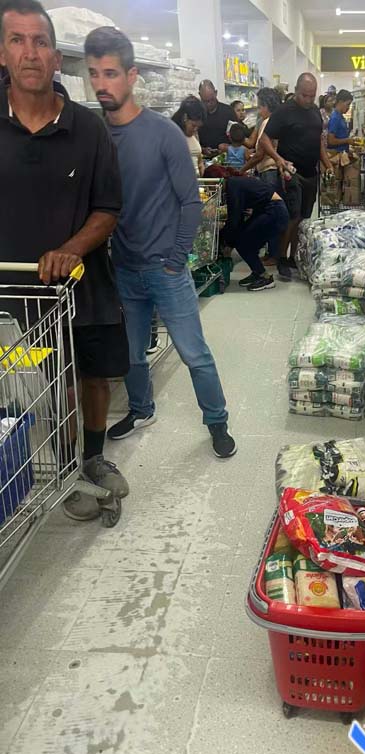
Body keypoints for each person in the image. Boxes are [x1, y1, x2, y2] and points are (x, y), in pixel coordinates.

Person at [0, 0, 129, 521]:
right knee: (46, 386)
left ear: (56, 57)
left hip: (85, 282)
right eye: (17, 40)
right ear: (2, 53)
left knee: (92, 376)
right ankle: (62, 465)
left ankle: (92, 458)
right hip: (16, 294)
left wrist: (71, 250)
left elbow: (108, 208)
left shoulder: (88, 129)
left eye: (40, 42)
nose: (30, 53)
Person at [84, 27, 236, 458]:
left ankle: (217, 421)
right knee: (132, 354)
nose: (101, 84)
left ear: (131, 75)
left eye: (110, 73)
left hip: (166, 271)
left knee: (194, 353)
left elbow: (191, 202)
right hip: (124, 269)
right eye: (93, 73)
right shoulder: (96, 135)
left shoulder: (162, 133)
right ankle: (141, 409)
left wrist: (176, 257)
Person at [261, 73, 334, 280]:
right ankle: (281, 258)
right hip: (291, 172)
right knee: (292, 217)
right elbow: (264, 139)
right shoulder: (284, 111)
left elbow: (318, 142)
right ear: (296, 90)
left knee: (302, 218)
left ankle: (293, 256)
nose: (309, 100)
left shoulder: (315, 112)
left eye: (312, 95)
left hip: (311, 173)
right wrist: (278, 159)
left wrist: (327, 164)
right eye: (304, 95)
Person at [206, 166, 289, 292]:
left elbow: (234, 219)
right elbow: (237, 217)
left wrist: (227, 242)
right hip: (272, 210)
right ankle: (257, 272)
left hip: (274, 212)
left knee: (243, 243)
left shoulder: (233, 186)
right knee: (244, 240)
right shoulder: (234, 183)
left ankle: (264, 277)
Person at [241, 87, 282, 268]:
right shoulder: (272, 121)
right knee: (271, 212)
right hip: (269, 171)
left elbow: (260, 154)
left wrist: (242, 170)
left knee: (270, 213)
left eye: (259, 106)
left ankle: (273, 254)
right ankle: (271, 252)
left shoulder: (268, 123)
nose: (258, 110)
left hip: (269, 172)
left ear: (266, 106)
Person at [197, 79, 236, 158]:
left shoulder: (228, 111)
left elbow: (237, 138)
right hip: (204, 157)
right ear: (200, 95)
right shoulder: (197, 114)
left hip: (226, 157)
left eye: (212, 100)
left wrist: (228, 148)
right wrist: (202, 149)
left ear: (216, 93)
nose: (209, 104)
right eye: (205, 101)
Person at [172, 94, 206, 176]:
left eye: (198, 127)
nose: (195, 129)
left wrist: (201, 166)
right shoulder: (172, 135)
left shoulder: (194, 135)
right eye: (193, 125)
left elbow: (199, 159)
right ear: (185, 118)